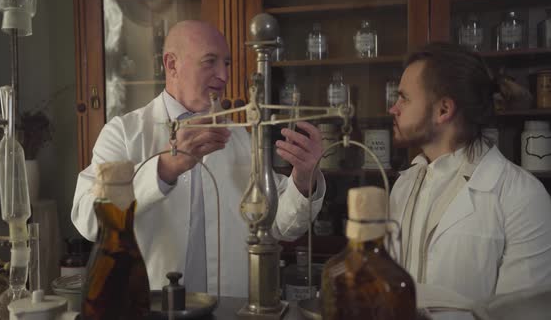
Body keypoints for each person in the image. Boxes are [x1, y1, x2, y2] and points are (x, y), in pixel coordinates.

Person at [71, 20, 326, 297]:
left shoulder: (240, 137)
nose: (223, 75)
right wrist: (164, 169)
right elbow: (89, 220)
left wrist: (303, 178)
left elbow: (278, 224)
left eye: (226, 63)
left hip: (231, 310)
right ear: (172, 65)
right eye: (210, 62)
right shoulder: (123, 134)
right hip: (148, 309)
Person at [388, 42, 551, 302]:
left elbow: (520, 314)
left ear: (443, 110)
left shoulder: (523, 196)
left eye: (404, 98)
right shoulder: (404, 185)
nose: (393, 108)